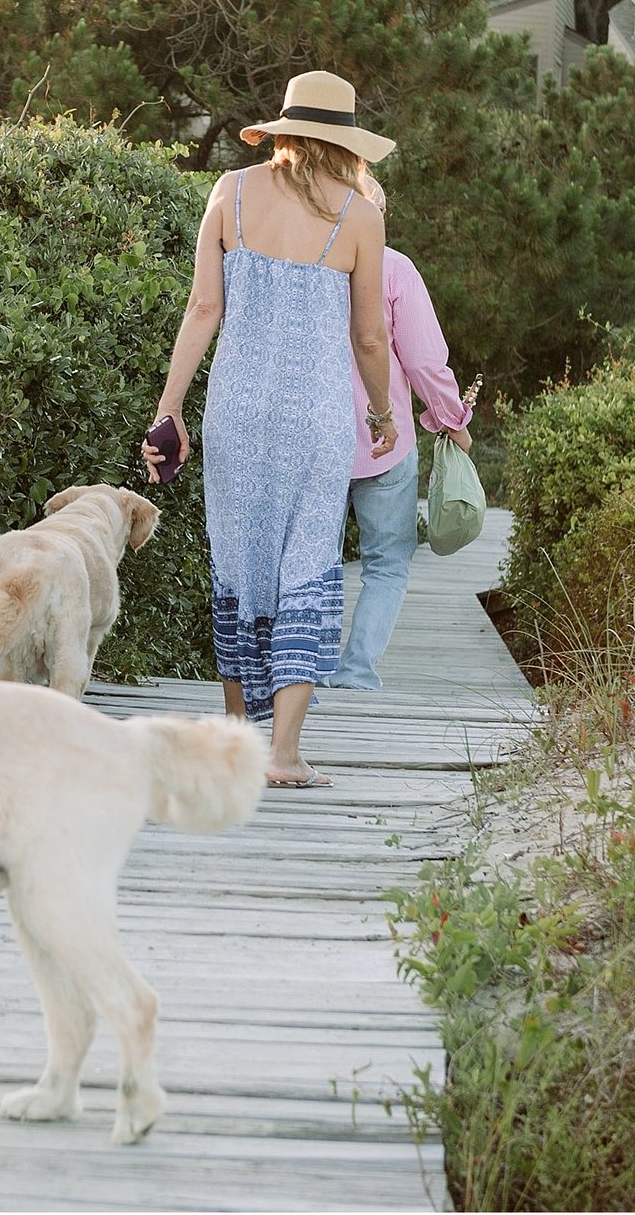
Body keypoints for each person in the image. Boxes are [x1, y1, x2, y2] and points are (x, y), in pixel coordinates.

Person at [143, 71, 397, 788]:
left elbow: (201, 309)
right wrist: (380, 414)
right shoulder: (360, 215)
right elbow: (370, 337)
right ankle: (283, 753)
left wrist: (170, 410)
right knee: (306, 567)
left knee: (240, 567)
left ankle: (236, 747)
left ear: (282, 132)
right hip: (318, 417)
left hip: (237, 410)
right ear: (344, 144)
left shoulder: (230, 193)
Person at [330, 248, 472, 691]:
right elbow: (425, 362)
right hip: (386, 442)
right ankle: (356, 673)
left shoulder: (308, 258)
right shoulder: (393, 268)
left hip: (317, 443)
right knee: (388, 564)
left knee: (314, 564)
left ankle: (305, 679)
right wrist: (453, 420)